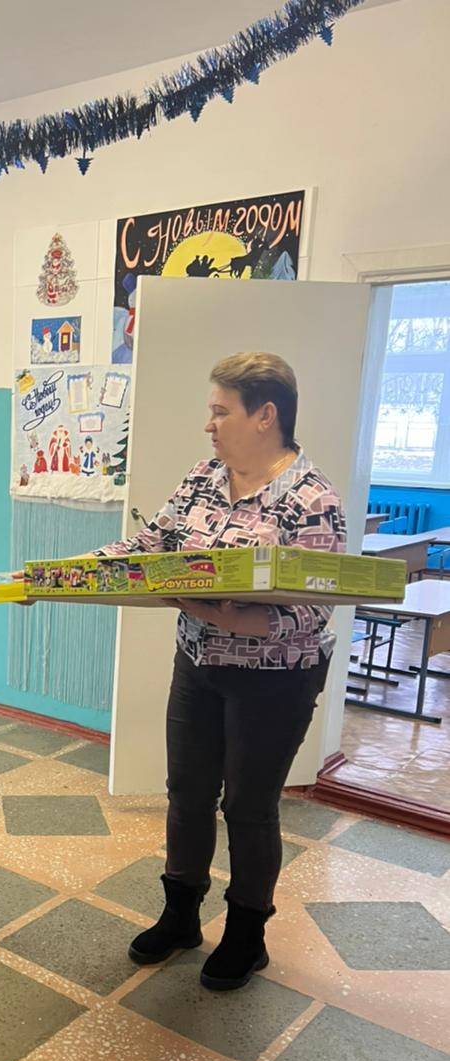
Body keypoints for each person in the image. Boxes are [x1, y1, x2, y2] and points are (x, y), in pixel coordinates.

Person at [94, 352, 346, 990]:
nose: (209, 425)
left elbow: (312, 613)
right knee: (187, 792)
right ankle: (180, 916)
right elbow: (151, 545)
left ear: (265, 416)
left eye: (220, 411)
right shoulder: (205, 476)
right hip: (198, 662)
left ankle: (246, 935)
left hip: (275, 679)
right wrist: (66, 574)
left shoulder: (312, 500)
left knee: (249, 807)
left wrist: (226, 616)